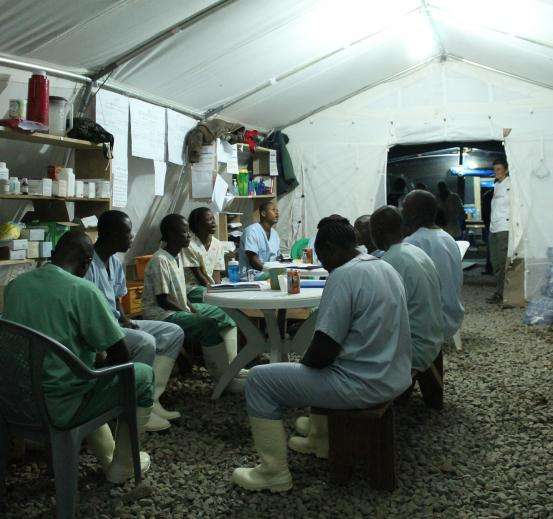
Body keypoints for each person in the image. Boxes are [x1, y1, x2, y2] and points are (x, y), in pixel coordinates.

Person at [232, 216, 412, 492]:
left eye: (323, 257)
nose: (324, 265)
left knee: (259, 379)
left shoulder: (344, 275)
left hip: (361, 385)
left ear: (331, 248)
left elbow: (323, 351)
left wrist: (300, 370)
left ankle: (273, 473)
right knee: (307, 366)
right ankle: (319, 439)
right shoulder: (384, 267)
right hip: (392, 376)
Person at [3, 230, 153, 484]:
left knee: (83, 374)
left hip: (14, 399)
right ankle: (124, 466)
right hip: (61, 407)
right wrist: (103, 367)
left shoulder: (16, 286)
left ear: (53, 255)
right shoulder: (83, 290)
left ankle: (106, 454)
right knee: (140, 374)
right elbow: (121, 356)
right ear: (87, 263)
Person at [85, 210, 184, 433]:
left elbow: (117, 299)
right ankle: (138, 408)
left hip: (117, 323)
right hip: (101, 329)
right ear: (110, 234)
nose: (132, 237)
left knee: (173, 332)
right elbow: (88, 311)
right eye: (128, 232)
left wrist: (124, 317)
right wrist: (116, 322)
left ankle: (152, 399)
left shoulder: (116, 262)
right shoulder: (89, 264)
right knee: (145, 341)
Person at [142, 214, 244, 395]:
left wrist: (192, 307)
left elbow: (180, 292)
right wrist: (191, 313)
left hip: (178, 308)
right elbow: (163, 300)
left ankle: (232, 368)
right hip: (161, 313)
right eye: (185, 232)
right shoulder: (160, 259)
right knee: (208, 324)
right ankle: (223, 380)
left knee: (225, 315)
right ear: (171, 235)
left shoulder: (177, 256)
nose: (189, 236)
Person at [370, 206, 444, 372]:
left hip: (414, 348)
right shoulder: (417, 252)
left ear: (378, 233)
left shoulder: (390, 261)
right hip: (434, 339)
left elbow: (383, 314)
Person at [402, 190, 465, 339]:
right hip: (453, 315)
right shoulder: (447, 238)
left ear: (413, 213)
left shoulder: (413, 242)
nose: (402, 212)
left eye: (405, 208)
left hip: (429, 321)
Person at [181, 207, 226, 303]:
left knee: (227, 297)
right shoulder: (188, 244)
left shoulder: (217, 244)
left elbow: (216, 273)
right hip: (191, 288)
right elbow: (197, 273)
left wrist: (219, 289)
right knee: (216, 300)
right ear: (198, 224)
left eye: (213, 219)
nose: (214, 223)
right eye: (209, 220)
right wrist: (214, 291)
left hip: (211, 288)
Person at [488, 158, 511, 305]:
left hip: (504, 227)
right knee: (495, 262)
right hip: (494, 228)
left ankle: (504, 293)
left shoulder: (511, 185)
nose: (496, 172)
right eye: (495, 169)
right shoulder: (497, 185)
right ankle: (499, 292)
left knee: (502, 262)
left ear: (506, 169)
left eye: (499, 169)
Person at [238, 201, 280, 275]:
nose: (277, 213)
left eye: (277, 210)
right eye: (273, 210)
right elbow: (253, 261)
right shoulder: (251, 231)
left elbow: (277, 257)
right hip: (251, 277)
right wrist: (270, 272)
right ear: (263, 214)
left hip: (268, 275)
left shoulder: (275, 234)